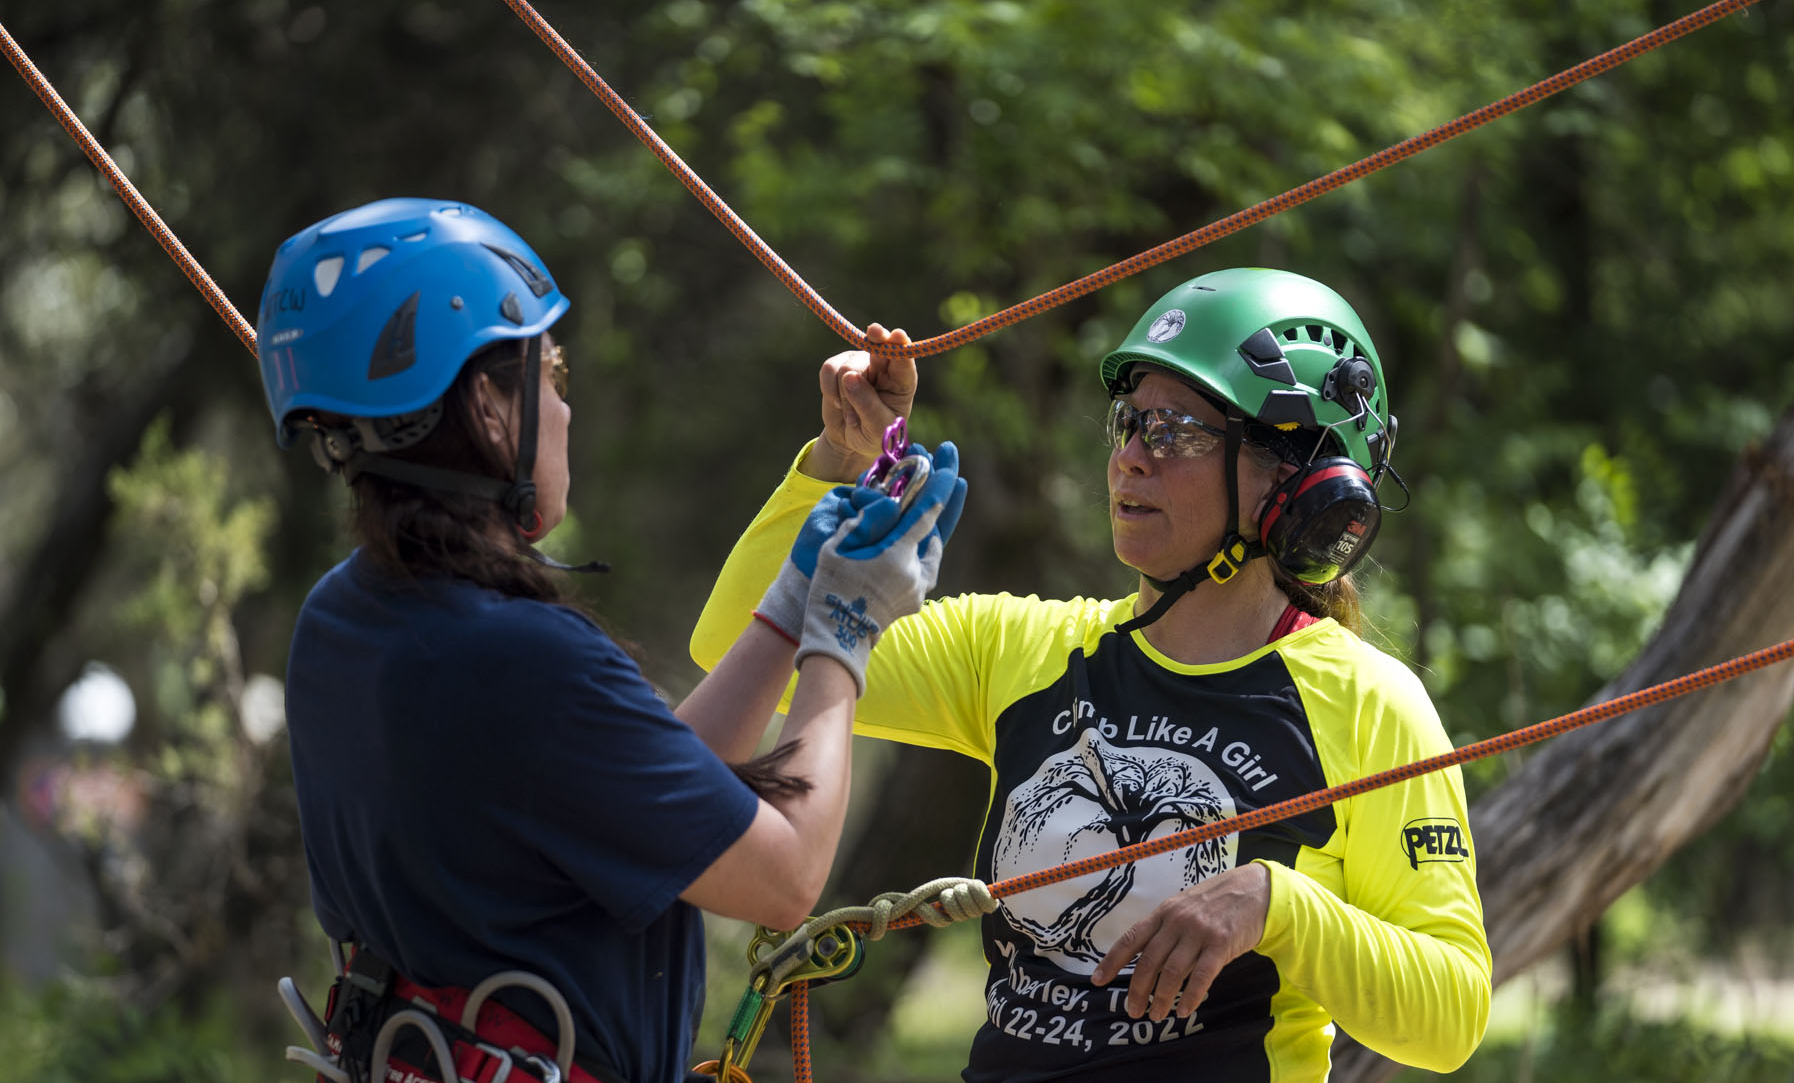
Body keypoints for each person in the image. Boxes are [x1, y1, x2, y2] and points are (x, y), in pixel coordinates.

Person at [690, 268, 1491, 1082]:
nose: (1131, 460)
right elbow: (740, 646)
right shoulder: (1017, 648)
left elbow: (1451, 1016)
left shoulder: (1370, 704)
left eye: (1176, 432)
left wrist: (1279, 908)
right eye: (1128, 423)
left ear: (1296, 475)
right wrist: (840, 456)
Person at [258, 197, 965, 1083]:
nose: (561, 408)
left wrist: (791, 606)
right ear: (487, 405)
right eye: (549, 374)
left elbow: (647, 795)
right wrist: (845, 635)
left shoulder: (345, 620)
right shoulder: (519, 658)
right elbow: (783, 879)